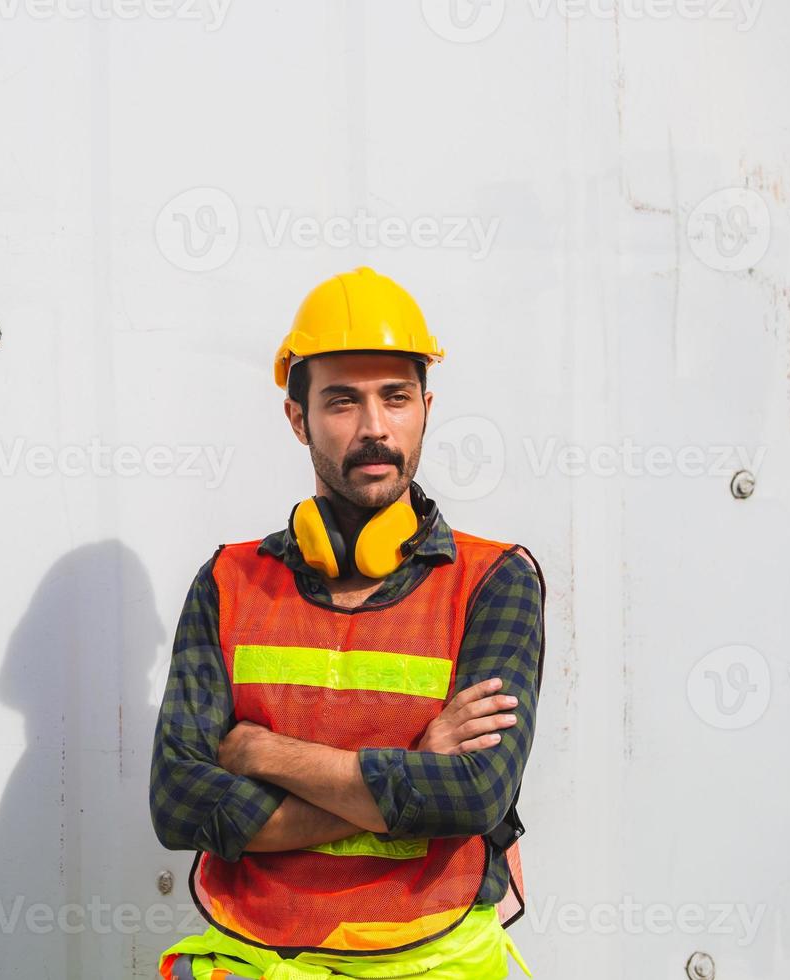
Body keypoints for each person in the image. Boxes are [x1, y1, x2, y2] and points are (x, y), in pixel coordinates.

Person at [148, 267, 546, 979]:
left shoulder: (494, 580)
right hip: (259, 955)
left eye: (395, 398)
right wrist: (415, 771)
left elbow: (477, 795)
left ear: (425, 408)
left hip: (439, 957)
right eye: (342, 402)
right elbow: (178, 804)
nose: (374, 428)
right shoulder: (228, 583)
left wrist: (260, 753)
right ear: (298, 418)